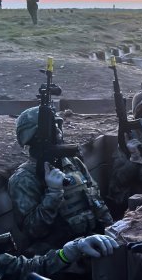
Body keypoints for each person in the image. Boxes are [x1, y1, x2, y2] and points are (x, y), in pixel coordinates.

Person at [8, 107, 113, 256]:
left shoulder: (73, 162)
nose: (58, 131)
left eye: (58, 125)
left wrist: (110, 229)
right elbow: (33, 230)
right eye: (52, 128)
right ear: (34, 137)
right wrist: (53, 193)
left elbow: (97, 201)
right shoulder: (23, 179)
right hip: (57, 257)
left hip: (92, 243)